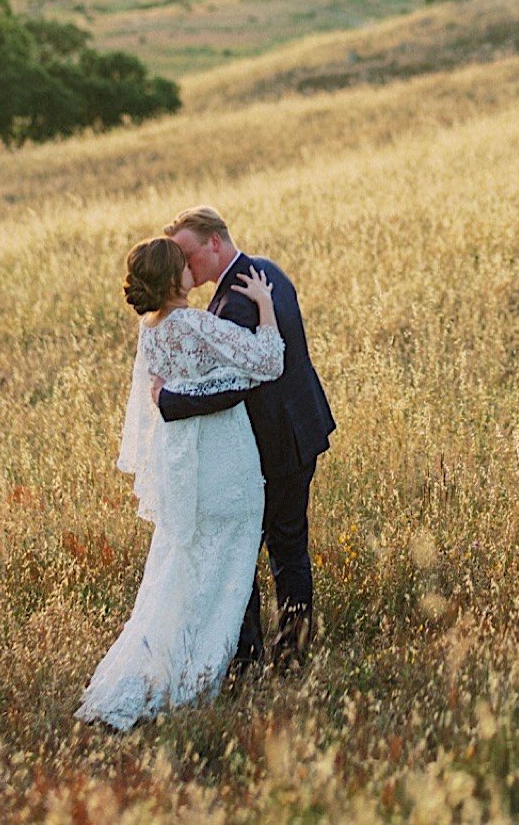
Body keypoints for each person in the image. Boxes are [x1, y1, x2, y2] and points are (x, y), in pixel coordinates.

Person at [76, 236, 284, 731]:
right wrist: (265, 304)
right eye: (184, 264)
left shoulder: (150, 332)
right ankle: (199, 675)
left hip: (182, 464)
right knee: (227, 558)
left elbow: (171, 394)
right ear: (175, 278)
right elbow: (268, 360)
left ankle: (146, 669)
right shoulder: (191, 322)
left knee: (182, 568)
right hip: (221, 456)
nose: (193, 268)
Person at [156, 206, 336, 675]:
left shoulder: (238, 297)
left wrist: (168, 401)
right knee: (285, 543)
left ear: (214, 243)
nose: (184, 267)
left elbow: (233, 385)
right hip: (296, 430)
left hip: (277, 445)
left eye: (188, 255)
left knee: (263, 547)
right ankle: (280, 650)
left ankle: (259, 655)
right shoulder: (263, 271)